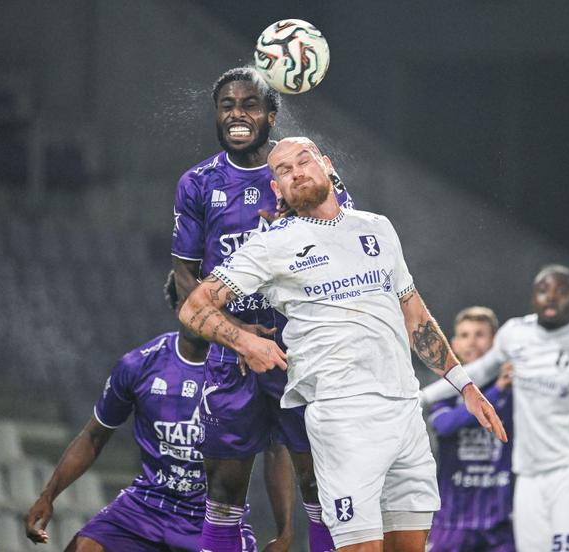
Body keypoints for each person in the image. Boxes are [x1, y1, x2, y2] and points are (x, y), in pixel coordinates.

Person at [178, 136, 507, 551]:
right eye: (283, 170)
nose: (297, 171)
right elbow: (194, 307)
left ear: (327, 166)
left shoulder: (378, 229)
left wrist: (466, 385)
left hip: (405, 412)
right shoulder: (272, 243)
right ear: (277, 189)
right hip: (342, 417)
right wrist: (244, 341)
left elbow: (415, 317)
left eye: (304, 160)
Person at [171, 68, 353, 552]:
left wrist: (298, 225)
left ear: (271, 116)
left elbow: (347, 243)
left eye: (249, 105)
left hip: (303, 354)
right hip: (232, 358)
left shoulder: (304, 172)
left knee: (320, 487)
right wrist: (232, 333)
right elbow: (185, 279)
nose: (237, 114)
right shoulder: (196, 183)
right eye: (227, 105)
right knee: (225, 493)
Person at [25, 272, 256, 551]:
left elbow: (278, 447)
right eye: (193, 302)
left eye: (210, 304)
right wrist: (48, 495)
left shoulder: (245, 370)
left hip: (213, 516)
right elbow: (94, 437)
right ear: (178, 306)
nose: (202, 312)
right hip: (147, 506)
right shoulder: (139, 365)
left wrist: (285, 532)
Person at [421, 265, 569, 551]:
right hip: (525, 476)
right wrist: (417, 398)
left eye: (561, 292)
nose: (551, 298)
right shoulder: (516, 335)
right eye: (543, 291)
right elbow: (475, 377)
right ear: (533, 297)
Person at [426, 307, 515, 552]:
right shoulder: (445, 389)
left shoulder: (515, 388)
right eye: (464, 336)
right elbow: (443, 426)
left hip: (499, 522)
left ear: (495, 343)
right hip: (452, 521)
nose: (472, 342)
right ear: (453, 344)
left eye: (479, 334)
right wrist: (496, 392)